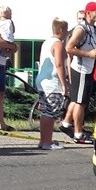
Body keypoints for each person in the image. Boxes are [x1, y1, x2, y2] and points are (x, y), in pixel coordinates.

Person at [60, 1, 96, 144]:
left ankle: (66, 124)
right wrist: (88, 55)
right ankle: (78, 133)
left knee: (76, 99)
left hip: (89, 69)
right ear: (89, 13)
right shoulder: (81, 29)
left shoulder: (93, 29)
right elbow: (69, 48)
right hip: (81, 69)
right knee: (80, 103)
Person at [34, 18, 68, 150]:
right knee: (51, 112)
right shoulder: (58, 44)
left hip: (42, 82)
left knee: (45, 111)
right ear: (61, 30)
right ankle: (47, 142)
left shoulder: (46, 42)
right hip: (52, 82)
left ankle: (43, 141)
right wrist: (64, 84)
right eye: (65, 30)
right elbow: (59, 64)